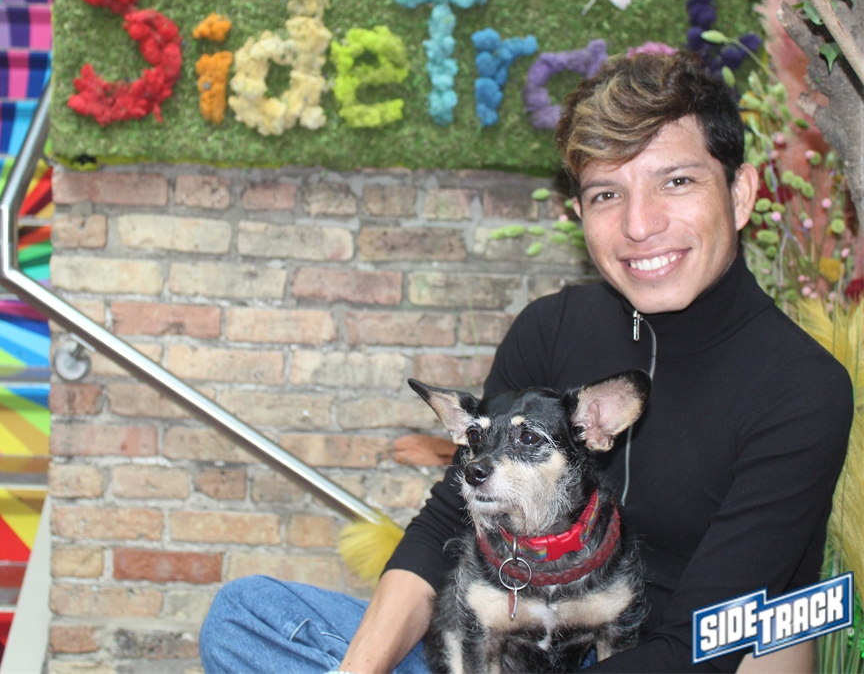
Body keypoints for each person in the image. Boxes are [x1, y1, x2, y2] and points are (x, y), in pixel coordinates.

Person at [199, 51, 854, 673]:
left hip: (665, 660)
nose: (639, 224)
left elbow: (695, 648)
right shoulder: (552, 328)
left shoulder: (800, 389)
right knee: (245, 617)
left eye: (676, 182)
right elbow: (449, 525)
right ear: (580, 211)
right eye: (607, 194)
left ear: (739, 193)